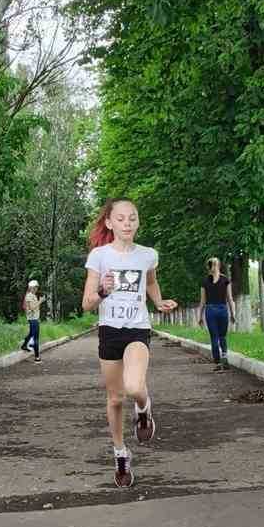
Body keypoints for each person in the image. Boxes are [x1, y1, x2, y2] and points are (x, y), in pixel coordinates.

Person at [82, 197, 178, 487]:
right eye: (121, 218)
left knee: (134, 387)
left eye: (132, 218)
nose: (127, 223)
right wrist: (103, 290)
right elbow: (87, 303)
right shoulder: (99, 256)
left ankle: (144, 409)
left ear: (138, 222)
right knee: (114, 398)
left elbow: (149, 281)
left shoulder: (147, 254)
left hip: (137, 328)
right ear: (110, 223)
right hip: (110, 330)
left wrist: (158, 301)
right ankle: (120, 453)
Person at [197, 256, 236, 372]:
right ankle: (222, 360)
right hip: (219, 310)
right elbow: (229, 299)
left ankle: (220, 362)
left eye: (214, 264)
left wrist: (200, 317)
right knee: (219, 336)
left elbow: (203, 301)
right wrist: (233, 314)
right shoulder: (222, 280)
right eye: (213, 264)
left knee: (217, 336)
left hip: (214, 310)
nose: (214, 267)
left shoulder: (209, 281)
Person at [20, 280, 45, 364]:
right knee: (36, 338)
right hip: (33, 319)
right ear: (32, 288)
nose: (37, 289)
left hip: (35, 318)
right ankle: (37, 357)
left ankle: (24, 345)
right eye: (35, 287)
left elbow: (34, 308)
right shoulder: (29, 296)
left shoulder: (33, 295)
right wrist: (40, 301)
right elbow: (31, 308)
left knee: (31, 334)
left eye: (37, 287)